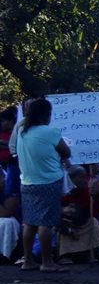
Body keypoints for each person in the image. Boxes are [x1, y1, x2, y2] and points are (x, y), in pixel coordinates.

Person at [13, 98, 72, 272]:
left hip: (27, 182)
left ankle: (28, 260)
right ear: (46, 115)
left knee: (29, 223)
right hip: (49, 182)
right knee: (45, 224)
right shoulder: (50, 132)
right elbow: (66, 151)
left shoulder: (22, 131)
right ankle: (47, 262)